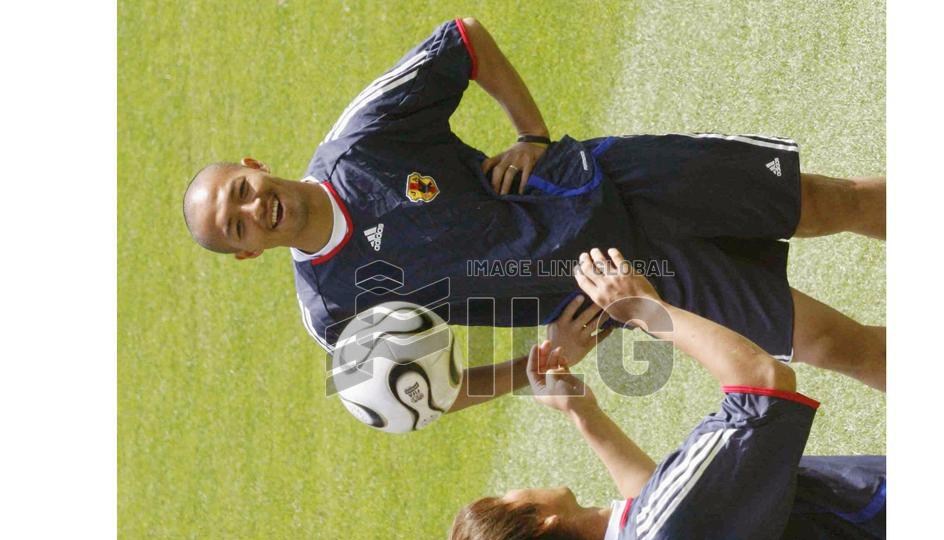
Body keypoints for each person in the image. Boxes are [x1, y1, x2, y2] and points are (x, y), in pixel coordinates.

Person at [182, 17, 886, 394]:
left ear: (253, 166)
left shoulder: (360, 139)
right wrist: (539, 363)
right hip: (621, 282)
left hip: (618, 181)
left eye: (241, 191)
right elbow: (432, 393)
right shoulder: (333, 310)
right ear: (246, 251)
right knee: (830, 344)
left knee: (828, 201)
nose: (252, 207)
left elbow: (464, 40)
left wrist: (529, 134)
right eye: (236, 225)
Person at [446, 248, 885, 540]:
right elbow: (764, 383)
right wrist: (644, 309)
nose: (512, 488)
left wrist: (583, 412)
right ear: (541, 522)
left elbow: (660, 508)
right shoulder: (661, 535)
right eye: (505, 499)